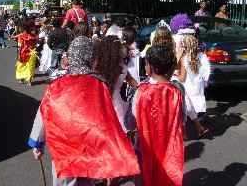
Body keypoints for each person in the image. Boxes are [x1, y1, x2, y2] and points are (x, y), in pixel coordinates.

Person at [28, 36, 140, 186]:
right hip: (88, 145)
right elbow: (106, 117)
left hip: (63, 145)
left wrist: (37, 142)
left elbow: (44, 112)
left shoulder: (57, 85)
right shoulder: (99, 85)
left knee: (63, 178)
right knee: (85, 178)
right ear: (91, 58)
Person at [133, 45, 184, 186]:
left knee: (144, 178)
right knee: (167, 178)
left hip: (144, 146)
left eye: (146, 63)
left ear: (150, 67)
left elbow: (132, 119)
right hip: (169, 146)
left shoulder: (141, 91)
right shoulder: (178, 90)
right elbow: (182, 117)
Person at [177, 35, 210, 138]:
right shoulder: (202, 57)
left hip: (187, 89)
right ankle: (197, 129)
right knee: (188, 111)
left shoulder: (184, 59)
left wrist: (174, 75)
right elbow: (206, 73)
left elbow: (182, 78)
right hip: (198, 89)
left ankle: (185, 133)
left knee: (182, 111)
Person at [13, 19, 39, 85]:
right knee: (31, 66)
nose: (34, 28)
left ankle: (21, 79)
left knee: (21, 65)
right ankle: (29, 81)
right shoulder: (34, 36)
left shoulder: (23, 35)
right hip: (31, 52)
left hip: (23, 52)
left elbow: (20, 43)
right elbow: (36, 43)